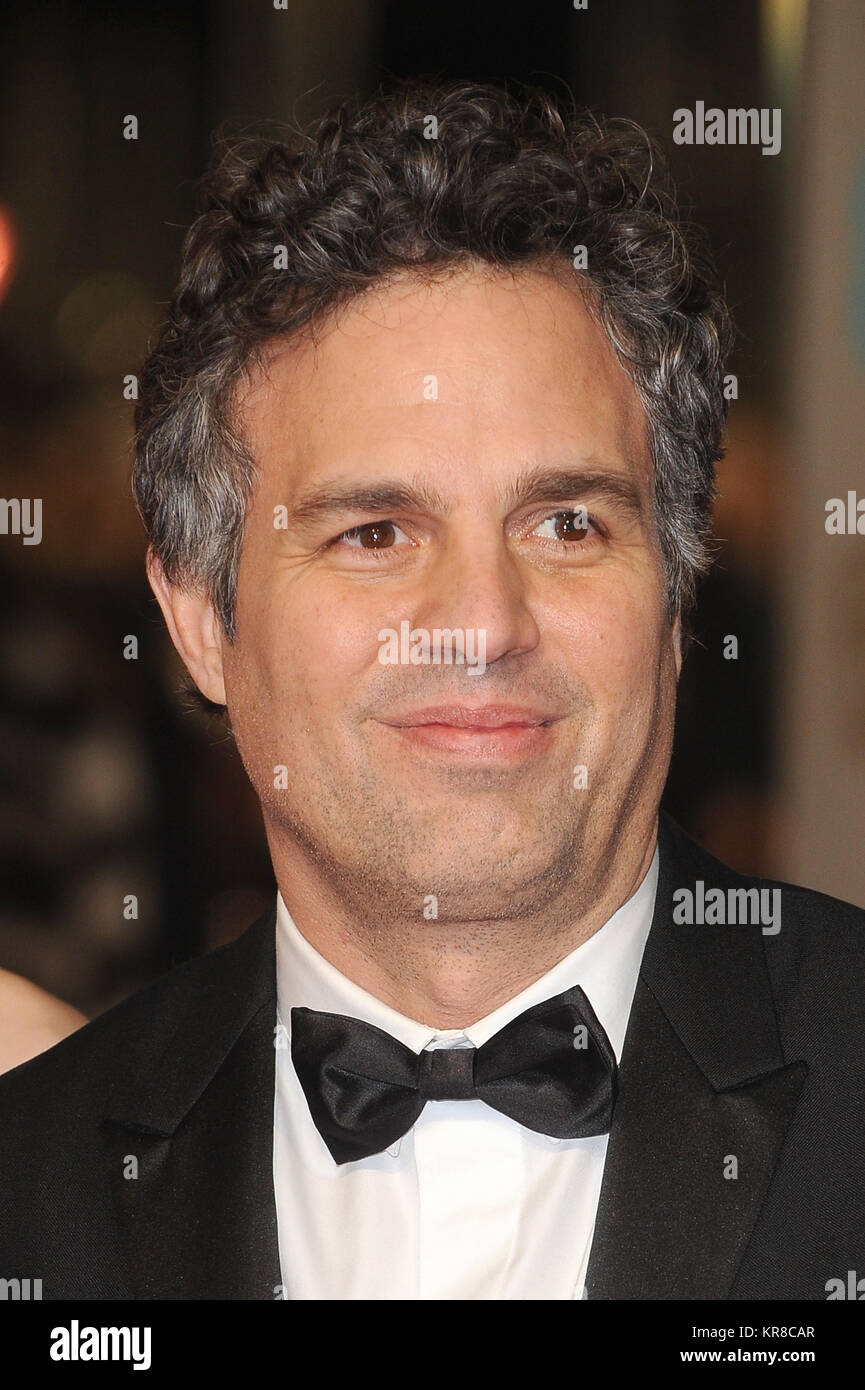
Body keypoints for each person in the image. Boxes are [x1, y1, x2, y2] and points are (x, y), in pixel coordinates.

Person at [0, 80, 862, 1302]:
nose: (479, 624)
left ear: (673, 598)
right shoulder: (34, 1193)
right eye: (373, 533)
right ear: (199, 619)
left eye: (566, 523)